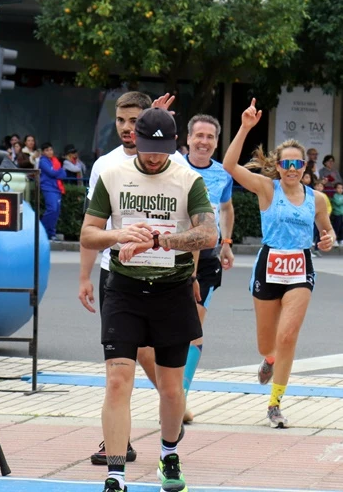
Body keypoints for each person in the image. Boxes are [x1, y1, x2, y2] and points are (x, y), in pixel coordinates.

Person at [80, 107, 219, 492]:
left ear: (174, 145)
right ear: (134, 142)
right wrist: (119, 236)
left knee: (172, 388)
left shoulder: (188, 179)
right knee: (117, 381)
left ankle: (168, 453)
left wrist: (159, 241)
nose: (154, 156)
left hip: (172, 290)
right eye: (146, 148)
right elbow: (89, 234)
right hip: (124, 290)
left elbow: (208, 235)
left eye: (161, 149)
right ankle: (115, 473)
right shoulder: (112, 176)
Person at [79, 91, 186, 466]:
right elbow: (91, 227)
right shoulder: (106, 167)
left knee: (148, 359)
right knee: (119, 370)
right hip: (117, 273)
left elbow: (195, 222)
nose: (126, 128)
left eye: (134, 121)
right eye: (121, 121)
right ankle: (115, 447)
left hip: (165, 276)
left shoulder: (176, 166)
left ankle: (172, 410)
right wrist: (84, 276)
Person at [222, 100, 335, 429]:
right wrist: (245, 127)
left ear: (305, 166)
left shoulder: (318, 198)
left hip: (300, 265)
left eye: (297, 163)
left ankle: (275, 402)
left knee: (288, 336)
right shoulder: (265, 188)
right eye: (286, 163)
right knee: (267, 341)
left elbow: (326, 232)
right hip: (269, 263)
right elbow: (229, 165)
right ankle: (268, 360)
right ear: (278, 165)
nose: (292, 168)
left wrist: (326, 240)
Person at [180, 114, 236, 403]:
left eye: (210, 137)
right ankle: (170, 391)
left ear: (216, 142)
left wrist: (226, 242)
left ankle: (181, 395)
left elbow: (226, 208)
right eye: (198, 135)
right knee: (169, 326)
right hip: (174, 256)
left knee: (193, 326)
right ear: (187, 138)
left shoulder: (222, 173)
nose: (204, 142)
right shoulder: (173, 166)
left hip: (208, 259)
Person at [38, 142, 65, 240]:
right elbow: (52, 173)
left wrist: (57, 172)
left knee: (56, 212)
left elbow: (63, 174)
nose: (50, 152)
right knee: (52, 209)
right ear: (43, 152)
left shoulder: (54, 160)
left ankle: (51, 233)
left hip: (56, 189)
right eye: (47, 150)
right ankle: (41, 231)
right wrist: (58, 172)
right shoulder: (43, 161)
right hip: (48, 188)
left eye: (51, 149)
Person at [331, 183, 343, 247]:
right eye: (338, 188)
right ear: (335, 189)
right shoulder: (335, 196)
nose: (340, 189)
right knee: (336, 227)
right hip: (337, 214)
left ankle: (342, 240)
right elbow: (338, 203)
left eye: (341, 188)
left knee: (342, 228)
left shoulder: (342, 196)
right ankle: (334, 240)